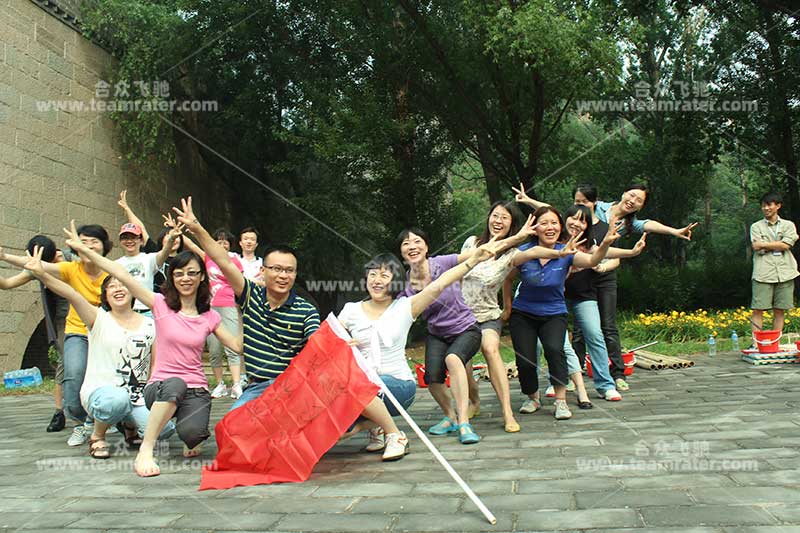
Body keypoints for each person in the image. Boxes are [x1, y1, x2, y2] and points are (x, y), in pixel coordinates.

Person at [59, 219, 242, 477]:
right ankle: (146, 448)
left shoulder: (209, 316)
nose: (185, 278)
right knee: (175, 384)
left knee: (192, 436)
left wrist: (242, 309)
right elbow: (120, 274)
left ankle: (183, 423)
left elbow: (236, 345)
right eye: (179, 273)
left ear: (202, 277)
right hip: (161, 386)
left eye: (192, 273)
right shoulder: (159, 304)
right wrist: (86, 251)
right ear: (172, 278)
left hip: (196, 390)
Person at [338, 242, 500, 459]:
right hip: (362, 385)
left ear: (395, 281)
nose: (377, 280)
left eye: (385, 276)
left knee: (360, 392)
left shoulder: (405, 307)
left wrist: (473, 260)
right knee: (342, 422)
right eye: (373, 274)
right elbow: (328, 342)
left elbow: (440, 284)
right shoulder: (351, 310)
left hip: (397, 386)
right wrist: (343, 344)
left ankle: (394, 435)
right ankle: (373, 426)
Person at [23, 245, 175, 458]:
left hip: (136, 395)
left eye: (123, 284)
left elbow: (153, 364)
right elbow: (71, 293)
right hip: (102, 392)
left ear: (133, 290)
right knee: (116, 401)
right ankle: (97, 435)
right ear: (105, 295)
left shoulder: (150, 324)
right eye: (112, 286)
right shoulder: (98, 319)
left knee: (166, 431)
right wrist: (42, 275)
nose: (118, 289)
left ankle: (130, 426)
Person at [172, 197, 320, 410]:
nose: (282, 275)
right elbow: (222, 261)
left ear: (295, 274)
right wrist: (196, 229)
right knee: (233, 427)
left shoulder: (306, 309)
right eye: (276, 269)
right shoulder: (250, 294)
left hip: (295, 386)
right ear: (263, 270)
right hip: (258, 388)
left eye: (289, 270)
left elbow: (315, 339)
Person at [398, 228, 517, 444]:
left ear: (426, 246)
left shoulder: (442, 262)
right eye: (406, 244)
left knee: (453, 359)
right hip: (437, 334)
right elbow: (397, 313)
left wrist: (516, 237)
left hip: (467, 329)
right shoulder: (406, 285)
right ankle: (450, 416)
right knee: (432, 378)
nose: (412, 246)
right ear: (402, 252)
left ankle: (464, 422)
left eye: (417, 241)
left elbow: (477, 254)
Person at [0, 224, 113, 446]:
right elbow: (18, 277)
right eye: (84, 242)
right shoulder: (60, 267)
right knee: (71, 369)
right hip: (70, 324)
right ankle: (72, 417)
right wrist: (4, 256)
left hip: (102, 326)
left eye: (94, 242)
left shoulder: (87, 263)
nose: (88, 246)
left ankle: (106, 419)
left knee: (103, 373)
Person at [509, 206, 619, 420]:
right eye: (544, 223)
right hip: (523, 313)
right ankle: (532, 397)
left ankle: (561, 401)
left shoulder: (567, 251)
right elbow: (508, 277)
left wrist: (605, 243)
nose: (549, 227)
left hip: (554, 313)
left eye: (554, 223)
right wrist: (507, 306)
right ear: (535, 227)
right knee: (525, 359)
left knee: (554, 350)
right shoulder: (523, 251)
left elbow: (592, 261)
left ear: (560, 227)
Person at [459, 201, 539, 433]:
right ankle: (474, 401)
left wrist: (559, 251)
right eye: (495, 216)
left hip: (488, 315)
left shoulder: (513, 254)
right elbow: (460, 273)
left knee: (491, 349)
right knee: (463, 361)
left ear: (512, 225)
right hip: (463, 316)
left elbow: (529, 257)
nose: (498, 221)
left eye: (505, 218)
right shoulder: (472, 243)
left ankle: (507, 412)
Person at [562, 204, 646, 401]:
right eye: (573, 218)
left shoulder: (590, 242)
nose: (576, 223)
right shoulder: (555, 239)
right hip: (557, 297)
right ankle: (557, 381)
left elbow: (605, 253)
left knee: (595, 334)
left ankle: (605, 385)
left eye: (582, 221)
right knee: (556, 340)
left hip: (584, 295)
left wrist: (632, 252)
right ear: (564, 218)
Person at [181, 228, 245, 399]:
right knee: (214, 348)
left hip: (229, 305)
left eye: (225, 241)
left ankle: (237, 383)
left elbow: (241, 283)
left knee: (232, 346)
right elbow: (192, 245)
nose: (222, 244)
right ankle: (219, 384)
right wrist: (179, 232)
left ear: (230, 245)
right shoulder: (208, 257)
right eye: (218, 241)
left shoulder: (234, 261)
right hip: (209, 307)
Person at [750, 191, 799, 334]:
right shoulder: (756, 226)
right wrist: (779, 244)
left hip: (785, 272)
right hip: (763, 273)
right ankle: (756, 343)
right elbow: (757, 247)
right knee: (758, 309)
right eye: (763, 205)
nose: (766, 208)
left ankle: (775, 343)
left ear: (778, 206)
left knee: (780, 310)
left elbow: (786, 246)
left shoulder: (788, 225)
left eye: (769, 205)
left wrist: (765, 244)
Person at [115, 222, 174, 317]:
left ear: (141, 240)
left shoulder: (149, 258)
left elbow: (164, 253)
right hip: (125, 312)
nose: (129, 241)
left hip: (148, 312)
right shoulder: (116, 263)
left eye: (133, 237)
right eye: (125, 237)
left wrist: (171, 239)